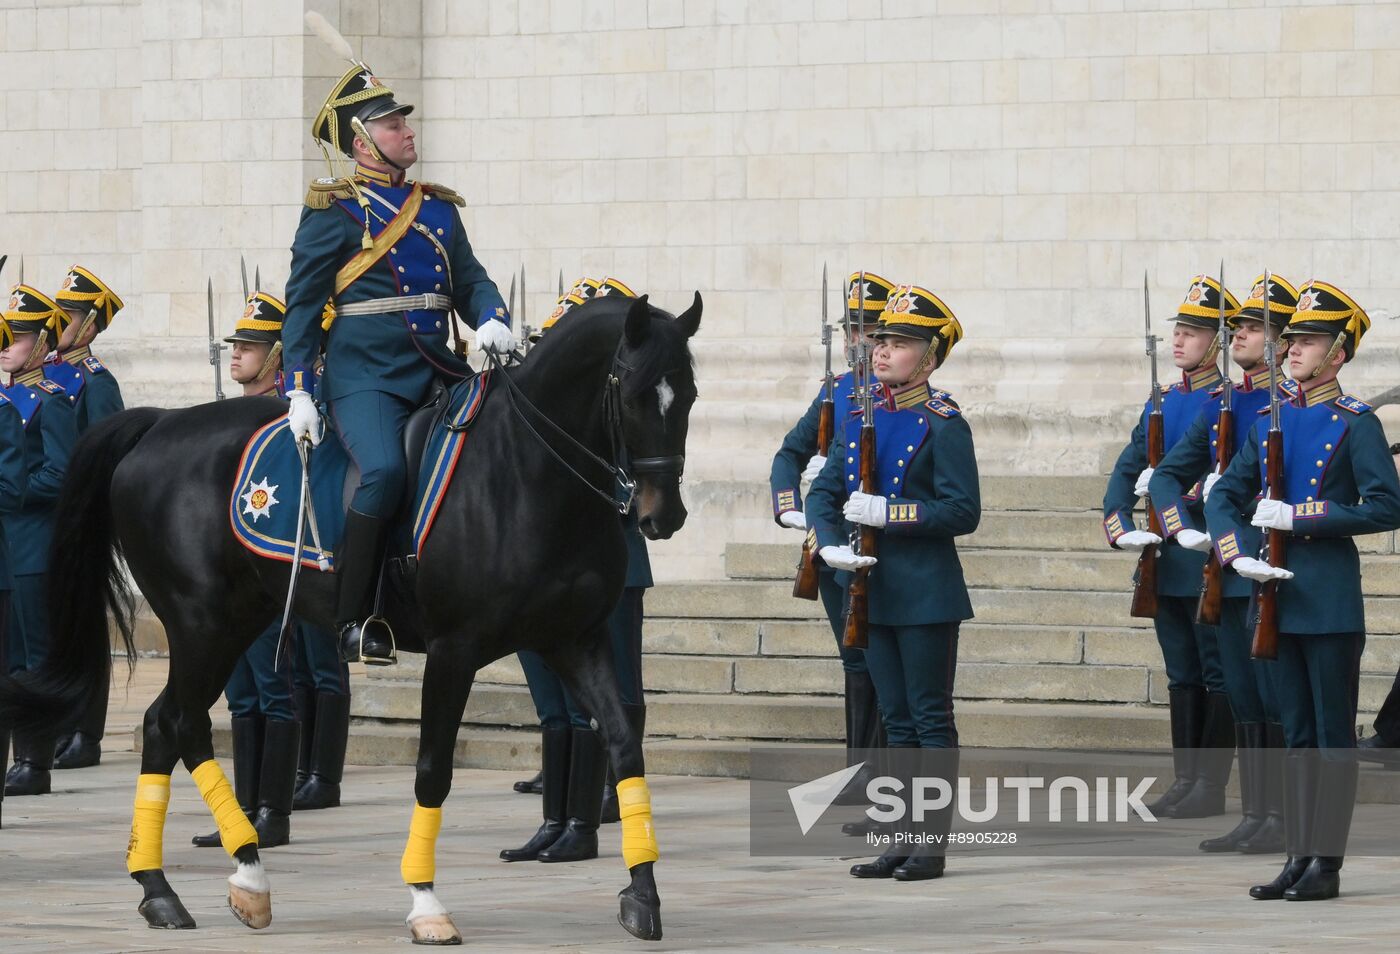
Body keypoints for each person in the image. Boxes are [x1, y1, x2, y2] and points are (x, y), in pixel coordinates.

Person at [281, 59, 514, 665]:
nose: (407, 132)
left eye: (403, 124)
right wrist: (299, 389)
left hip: (438, 369)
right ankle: (355, 618)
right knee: (383, 471)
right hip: (367, 377)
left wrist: (492, 316)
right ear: (361, 143)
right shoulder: (332, 212)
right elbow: (302, 310)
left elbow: (471, 279)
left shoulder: (436, 208)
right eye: (391, 126)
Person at [1208, 280, 1400, 902]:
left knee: (1330, 736)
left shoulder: (1357, 423)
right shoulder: (1270, 417)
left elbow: (1385, 505)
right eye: (1292, 339)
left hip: (1326, 597)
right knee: (1294, 735)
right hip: (1273, 593)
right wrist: (1237, 555)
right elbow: (1224, 498)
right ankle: (1296, 854)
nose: (1293, 349)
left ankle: (1327, 862)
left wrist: (1304, 517)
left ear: (1339, 353)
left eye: (1310, 341)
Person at [806, 283, 979, 882]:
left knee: (930, 717)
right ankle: (898, 838)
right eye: (881, 339)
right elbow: (824, 491)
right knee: (897, 720)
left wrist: (893, 514)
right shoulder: (860, 414)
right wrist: (827, 542)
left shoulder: (945, 424)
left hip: (925, 590)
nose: (881, 350)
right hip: (868, 587)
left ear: (928, 358)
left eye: (900, 343)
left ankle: (930, 846)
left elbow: (963, 511)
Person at [501, 278, 653, 864]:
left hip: (608, 562)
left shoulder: (615, 406)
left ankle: (597, 807)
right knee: (556, 705)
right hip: (548, 565)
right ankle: (557, 818)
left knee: (605, 695)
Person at [1150, 274, 1298, 849]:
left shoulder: (1290, 406)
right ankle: (1257, 816)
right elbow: (1166, 476)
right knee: (1243, 695)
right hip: (1229, 571)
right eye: (1234, 326)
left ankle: (1281, 817)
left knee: (1275, 699)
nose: (1237, 333)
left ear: (1282, 342)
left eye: (1252, 326)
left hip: (1277, 571)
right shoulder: (1223, 404)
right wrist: (1183, 528)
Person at [1104, 275, 1237, 818]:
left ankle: (1209, 783)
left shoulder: (1227, 400)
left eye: (1193, 333)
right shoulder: (1161, 401)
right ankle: (1186, 778)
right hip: (1162, 551)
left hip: (1204, 546)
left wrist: (1188, 492)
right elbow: (1128, 464)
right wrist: (1118, 520)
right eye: (1178, 331)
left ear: (1219, 343)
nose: (1179, 342)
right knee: (1181, 668)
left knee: (1214, 668)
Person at [770, 272, 894, 819]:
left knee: (880, 663)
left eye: (868, 330)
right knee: (853, 661)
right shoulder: (836, 390)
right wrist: (791, 507)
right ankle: (859, 770)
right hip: (830, 549)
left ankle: (884, 780)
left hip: (876, 547)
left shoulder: (900, 398)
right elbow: (786, 455)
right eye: (851, 329)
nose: (856, 341)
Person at [192, 292, 301, 848]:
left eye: (250, 347)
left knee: (274, 692)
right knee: (240, 697)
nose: (236, 354)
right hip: (225, 572)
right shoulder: (224, 415)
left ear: (278, 356)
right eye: (236, 345)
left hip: (269, 569)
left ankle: (273, 812)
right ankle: (239, 811)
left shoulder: (290, 414)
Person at [45, 265, 127, 770]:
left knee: (84, 624)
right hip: (39, 520)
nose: (58, 325)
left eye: (69, 317)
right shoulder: (41, 377)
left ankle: (84, 731)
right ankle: (54, 720)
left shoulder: (96, 383)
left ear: (91, 324)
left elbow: (107, 456)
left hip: (76, 519)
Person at [1, 284, 77, 796]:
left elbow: (64, 471)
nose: (9, 343)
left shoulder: (50, 400)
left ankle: (35, 761)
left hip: (31, 541)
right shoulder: (6, 399)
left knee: (34, 656)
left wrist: (17, 493)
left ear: (45, 341)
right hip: (9, 542)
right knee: (9, 659)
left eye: (21, 336)